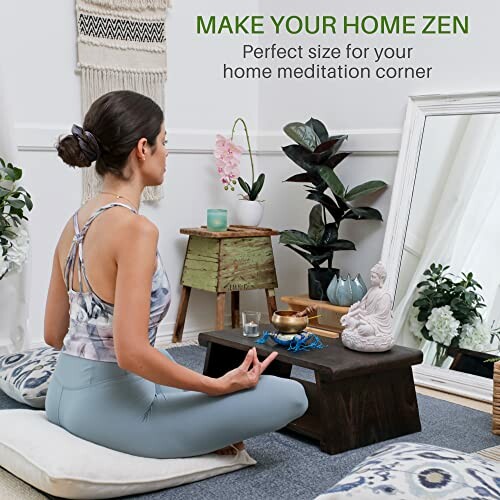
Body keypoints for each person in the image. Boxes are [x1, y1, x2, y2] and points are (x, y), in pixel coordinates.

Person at [44, 90, 308, 459]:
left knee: (172, 368)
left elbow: (53, 334)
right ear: (142, 148)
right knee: (292, 395)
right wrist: (215, 387)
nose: (167, 153)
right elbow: (131, 355)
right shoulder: (136, 230)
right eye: (164, 142)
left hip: (61, 396)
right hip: (110, 411)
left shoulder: (73, 224)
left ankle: (197, 408)